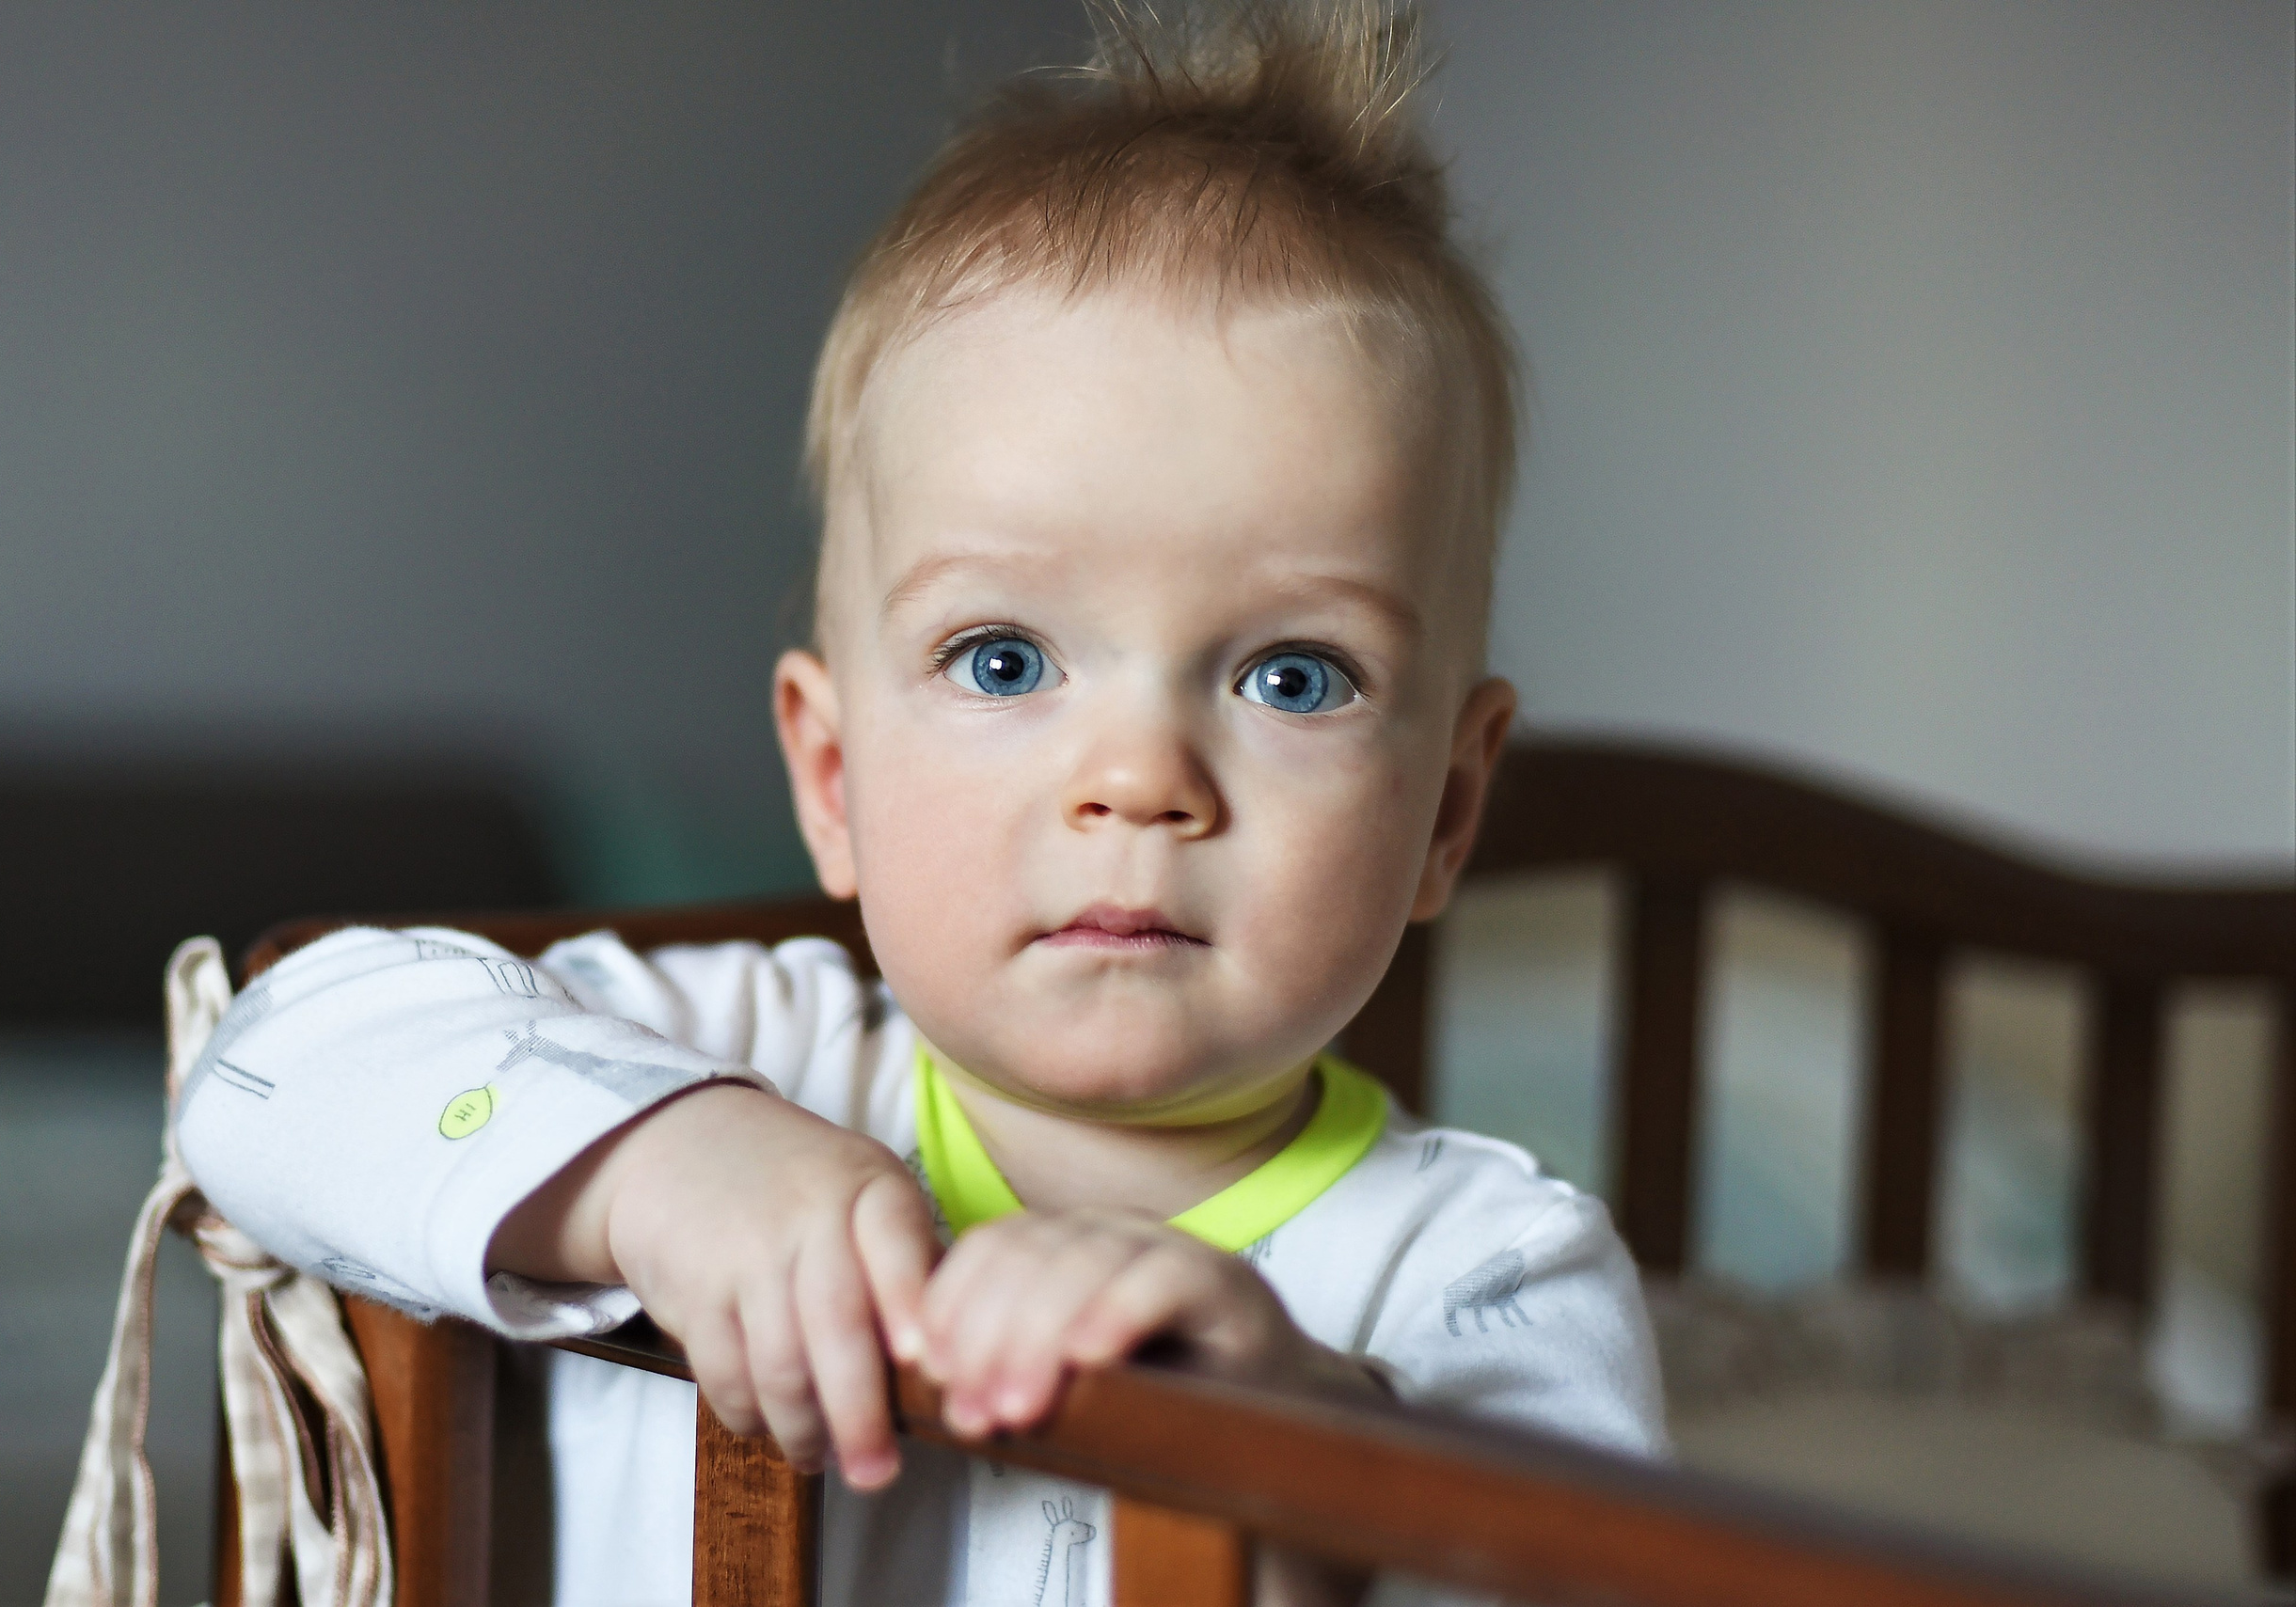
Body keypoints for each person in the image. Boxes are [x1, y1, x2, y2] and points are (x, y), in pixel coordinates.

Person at [177, 5, 1666, 1602]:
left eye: (1292, 677)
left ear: (1447, 813)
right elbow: (262, 1072)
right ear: (830, 776)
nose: (1137, 781)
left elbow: (1557, 1566)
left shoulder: (1487, 1272)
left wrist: (1286, 1425)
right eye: (1006, 656)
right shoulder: (747, 1056)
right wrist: (664, 1167)